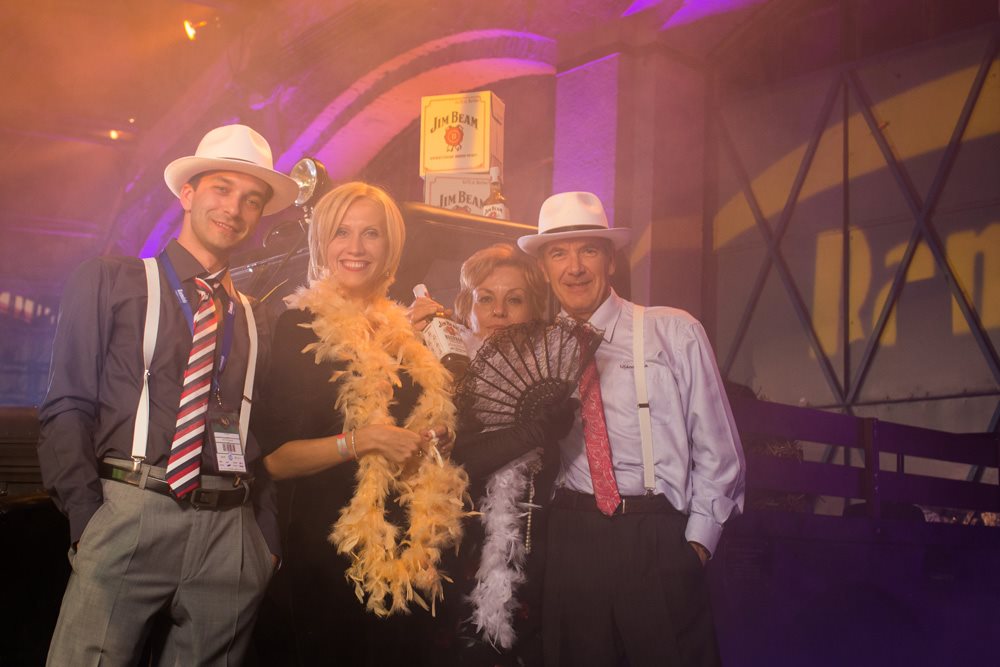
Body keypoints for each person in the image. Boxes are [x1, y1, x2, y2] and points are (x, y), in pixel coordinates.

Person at [37, 124, 298, 665]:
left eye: (251, 200)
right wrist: (88, 521)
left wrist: (263, 542)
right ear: (187, 193)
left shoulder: (255, 317)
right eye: (222, 189)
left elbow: (259, 434)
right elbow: (68, 406)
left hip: (230, 529)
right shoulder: (110, 280)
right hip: (132, 508)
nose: (235, 209)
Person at [517, 191, 746, 666]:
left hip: (655, 536)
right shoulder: (533, 352)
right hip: (571, 538)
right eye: (558, 253)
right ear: (543, 268)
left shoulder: (674, 331)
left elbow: (719, 452)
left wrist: (696, 546)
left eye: (588, 250)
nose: (574, 267)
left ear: (611, 260)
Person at [251, 182, 468, 666]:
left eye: (371, 233)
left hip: (404, 552)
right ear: (321, 243)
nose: (356, 247)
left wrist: (436, 435)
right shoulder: (298, 328)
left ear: (390, 246)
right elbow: (275, 461)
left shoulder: (404, 335)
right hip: (323, 555)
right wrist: (362, 441)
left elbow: (413, 434)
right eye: (341, 232)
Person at [407, 243, 574, 666]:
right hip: (453, 553)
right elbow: (447, 463)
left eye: (514, 300)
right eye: (485, 299)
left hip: (534, 556)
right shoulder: (442, 373)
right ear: (467, 306)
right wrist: (529, 433)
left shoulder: (555, 373)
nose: (499, 311)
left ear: (534, 307)